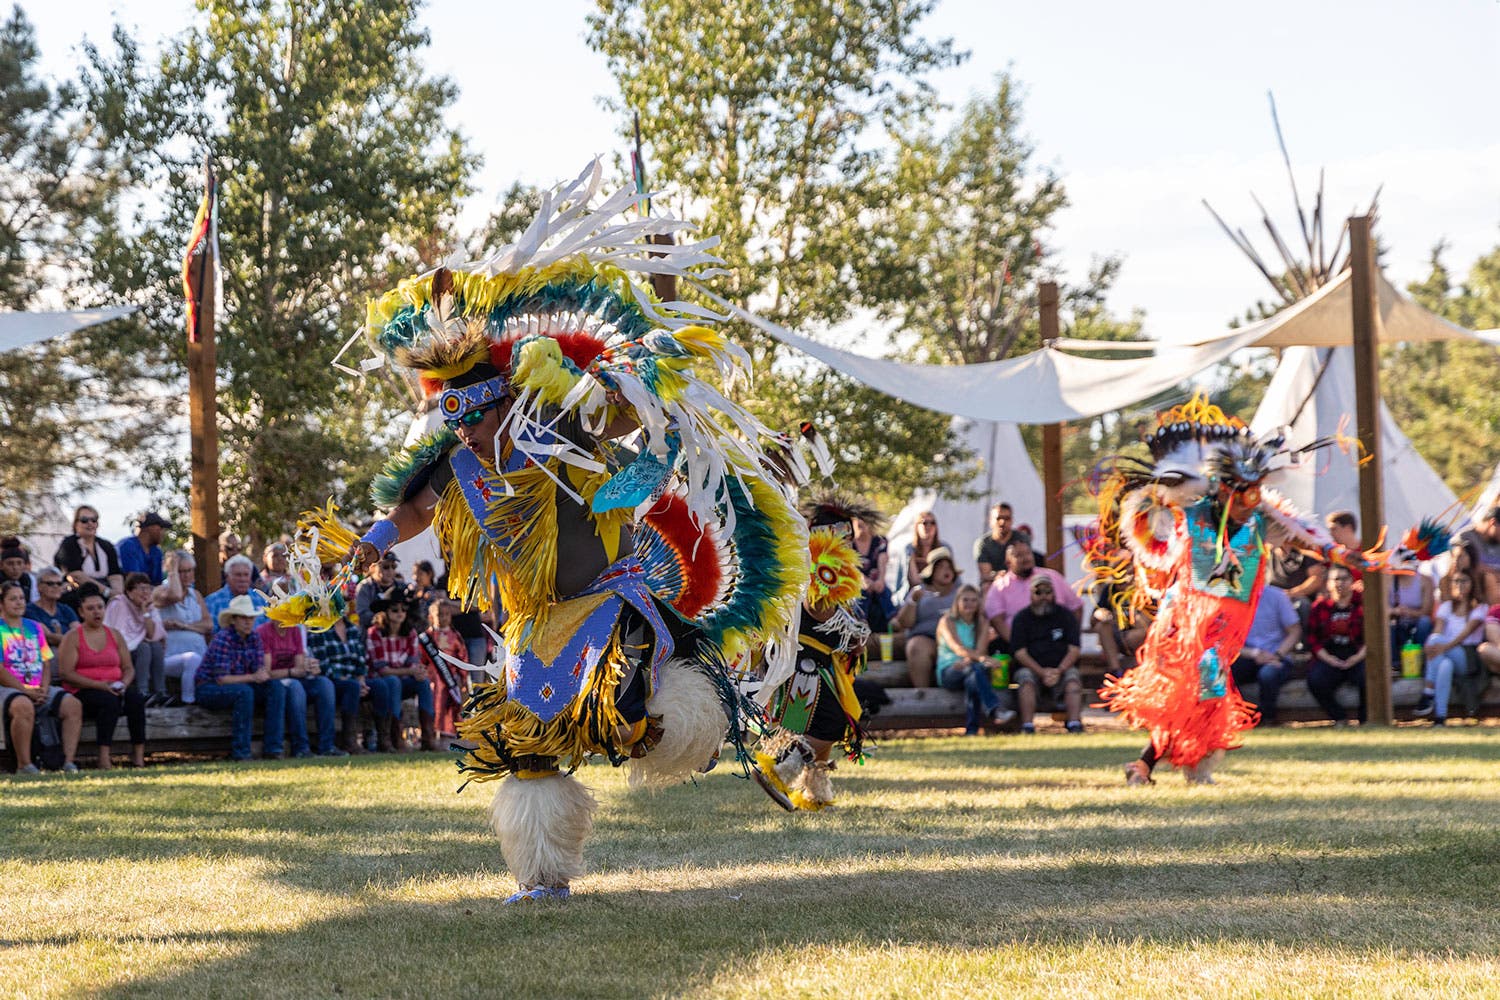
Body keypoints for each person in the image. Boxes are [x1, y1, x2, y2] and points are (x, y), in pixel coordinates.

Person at [270, 172, 807, 902]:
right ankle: (544, 877)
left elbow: (634, 407)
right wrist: (366, 547)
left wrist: (662, 313)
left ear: (503, 396)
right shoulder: (457, 463)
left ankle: (697, 727)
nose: (465, 426)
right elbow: (411, 514)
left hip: (614, 602)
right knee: (524, 748)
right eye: (452, 416)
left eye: (474, 411)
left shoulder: (556, 429)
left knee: (629, 714)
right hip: (536, 624)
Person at [1094, 395, 1407, 786]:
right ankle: (1192, 769)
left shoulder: (1262, 520)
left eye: (1255, 493)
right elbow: (1144, 534)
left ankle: (1148, 766)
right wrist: (1153, 496)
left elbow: (1310, 542)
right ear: (1223, 489)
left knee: (1197, 692)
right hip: (1186, 620)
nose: (1249, 503)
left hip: (1228, 625)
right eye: (1242, 494)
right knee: (1198, 688)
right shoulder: (1192, 516)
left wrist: (1360, 559)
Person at [757, 496, 880, 810]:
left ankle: (813, 794)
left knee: (813, 725)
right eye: (846, 534)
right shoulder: (823, 561)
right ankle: (780, 771)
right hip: (807, 658)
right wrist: (850, 628)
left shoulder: (811, 558)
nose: (850, 541)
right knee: (830, 723)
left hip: (811, 657)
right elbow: (816, 607)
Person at [57, 592, 146, 769]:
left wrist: (124, 684)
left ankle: (138, 755)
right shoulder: (73, 637)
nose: (96, 612)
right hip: (84, 689)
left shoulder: (115, 635)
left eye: (100, 607)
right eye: (90, 609)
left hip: (114, 686)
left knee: (135, 699)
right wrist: (100, 685)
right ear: (81, 612)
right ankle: (104, 757)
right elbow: (66, 673)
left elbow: (128, 667)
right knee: (108, 702)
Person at [1, 580, 82, 773]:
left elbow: (45, 661)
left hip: (38, 688)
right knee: (23, 705)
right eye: (13, 599)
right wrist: (25, 691)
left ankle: (68, 762)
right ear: (1, 604)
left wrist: (44, 688)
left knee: (72, 705)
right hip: (9, 688)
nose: (19, 602)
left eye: (21, 598)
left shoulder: (35, 627)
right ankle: (24, 764)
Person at [194, 594, 284, 761]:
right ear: (233, 620)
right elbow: (222, 679)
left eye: (250, 618)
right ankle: (241, 751)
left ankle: (273, 748)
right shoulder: (223, 639)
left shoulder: (255, 638)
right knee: (244, 692)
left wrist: (263, 674)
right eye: (243, 618)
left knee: (276, 687)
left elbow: (259, 670)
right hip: (208, 688)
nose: (248, 622)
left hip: (241, 685)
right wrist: (254, 676)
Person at [255, 618, 344, 757]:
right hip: (274, 683)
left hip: (294, 678)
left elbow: (300, 668)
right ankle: (301, 747)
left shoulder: (295, 630)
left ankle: (327, 746)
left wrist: (306, 667)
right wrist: (291, 671)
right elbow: (267, 672)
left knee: (324, 684)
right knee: (295, 687)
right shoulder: (263, 632)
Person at [935, 583, 1014, 734]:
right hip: (949, 670)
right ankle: (994, 708)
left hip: (971, 667)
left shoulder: (982, 622)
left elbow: (980, 649)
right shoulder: (947, 621)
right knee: (975, 671)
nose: (969, 604)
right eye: (965, 600)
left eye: (973, 600)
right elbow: (957, 647)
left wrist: (972, 660)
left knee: (973, 678)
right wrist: (981, 659)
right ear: (957, 601)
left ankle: (972, 730)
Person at [1010, 576, 1084, 734]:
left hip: (1062, 668)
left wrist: (1059, 670)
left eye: (1048, 592)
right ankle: (1028, 726)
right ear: (1031, 595)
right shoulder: (1022, 618)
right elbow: (1020, 653)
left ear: (1054, 593)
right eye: (1038, 592)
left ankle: (1074, 724)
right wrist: (1041, 672)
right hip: (1032, 668)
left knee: (1073, 679)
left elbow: (1074, 650)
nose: (1044, 596)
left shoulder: (1065, 615)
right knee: (1025, 678)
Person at [365, 589, 435, 752]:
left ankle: (428, 737)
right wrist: (410, 671)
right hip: (380, 682)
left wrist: (418, 672)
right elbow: (381, 670)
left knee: (423, 682)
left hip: (402, 679)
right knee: (393, 681)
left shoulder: (410, 633)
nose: (400, 613)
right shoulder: (374, 632)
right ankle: (395, 737)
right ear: (385, 612)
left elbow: (413, 663)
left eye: (404, 609)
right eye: (395, 609)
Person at [1415, 569, 1487, 725]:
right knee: (1444, 666)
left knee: (1436, 643)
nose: (1459, 585)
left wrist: (1441, 646)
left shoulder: (1479, 608)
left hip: (1468, 656)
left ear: (1472, 584)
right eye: (1456, 581)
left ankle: (1428, 691)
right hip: (1444, 653)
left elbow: (1465, 634)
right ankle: (1440, 718)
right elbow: (1438, 630)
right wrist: (1430, 645)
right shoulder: (1447, 606)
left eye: (1464, 581)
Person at [983, 539, 1080, 651]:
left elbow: (1076, 607)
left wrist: (1072, 639)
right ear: (1008, 562)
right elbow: (996, 621)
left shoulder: (1053, 577)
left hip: (1057, 647)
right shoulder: (999, 587)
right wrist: (1018, 646)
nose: (1025, 558)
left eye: (1028, 553)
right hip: (1020, 651)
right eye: (1018, 555)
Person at [1227, 583, 1301, 726]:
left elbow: (1295, 631)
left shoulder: (1277, 596)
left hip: (1277, 655)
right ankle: (1242, 716)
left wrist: (1278, 655)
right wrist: (1254, 653)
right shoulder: (1232, 597)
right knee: (1226, 672)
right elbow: (1228, 640)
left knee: (1268, 674)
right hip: (1247, 654)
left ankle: (1268, 718)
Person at [891, 546, 961, 687]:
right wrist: (912, 602)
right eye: (941, 567)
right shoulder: (919, 592)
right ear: (932, 571)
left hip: (957, 639)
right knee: (916, 647)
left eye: (949, 567)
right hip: (926, 638)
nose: (946, 570)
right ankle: (923, 693)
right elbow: (904, 623)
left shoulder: (961, 592)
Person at [1306, 566, 1367, 726]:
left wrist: (1356, 658)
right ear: (1328, 584)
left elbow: (1373, 636)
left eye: (1344, 578)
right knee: (1315, 680)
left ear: (1352, 582)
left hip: (1357, 654)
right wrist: (1330, 659)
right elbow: (1313, 640)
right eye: (1336, 579)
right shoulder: (1319, 607)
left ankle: (1365, 719)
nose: (1340, 583)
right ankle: (1339, 717)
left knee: (1368, 677)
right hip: (1330, 655)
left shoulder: (1363, 604)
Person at [155, 550, 211, 705]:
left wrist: (183, 625)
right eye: (181, 571)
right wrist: (171, 570)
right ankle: (188, 702)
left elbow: (208, 625)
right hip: (169, 659)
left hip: (200, 657)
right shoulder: (160, 592)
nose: (186, 575)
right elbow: (175, 596)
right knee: (191, 659)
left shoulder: (196, 595)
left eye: (189, 571)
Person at [104, 572, 169, 706]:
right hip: (119, 652)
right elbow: (118, 636)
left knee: (156, 646)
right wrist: (140, 640)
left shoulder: (149, 607)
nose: (145, 592)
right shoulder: (119, 604)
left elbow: (153, 635)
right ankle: (142, 692)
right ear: (129, 592)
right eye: (141, 588)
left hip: (138, 648)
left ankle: (161, 692)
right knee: (144, 648)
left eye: (148, 588)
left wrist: (145, 612)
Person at [417, 598, 468, 740]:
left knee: (450, 705)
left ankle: (449, 733)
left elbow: (462, 656)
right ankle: (431, 733)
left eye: (446, 614)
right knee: (434, 704)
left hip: (451, 678)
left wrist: (462, 676)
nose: (443, 618)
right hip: (432, 678)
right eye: (439, 614)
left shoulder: (455, 635)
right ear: (431, 617)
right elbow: (421, 657)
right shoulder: (426, 637)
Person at [1388, 553, 1435, 666]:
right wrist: (1395, 611)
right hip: (1397, 624)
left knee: (1425, 622)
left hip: (1417, 625)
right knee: (1388, 625)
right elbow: (1381, 609)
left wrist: (1409, 612)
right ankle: (1394, 663)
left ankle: (1423, 661)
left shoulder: (1425, 580)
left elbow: (1426, 611)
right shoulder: (1388, 580)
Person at [851, 517, 893, 640]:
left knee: (884, 591)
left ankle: (892, 620)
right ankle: (859, 621)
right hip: (856, 584)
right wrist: (863, 581)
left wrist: (880, 580)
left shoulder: (880, 541)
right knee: (861, 594)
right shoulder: (848, 543)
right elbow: (850, 566)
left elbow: (882, 562)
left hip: (875, 583)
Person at [205, 555, 272, 627]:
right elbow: (210, 634)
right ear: (227, 577)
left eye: (246, 575)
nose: (242, 579)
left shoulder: (260, 599)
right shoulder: (213, 601)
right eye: (238, 575)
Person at [25, 567, 80, 649]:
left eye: (59, 583)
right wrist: (73, 641)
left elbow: (79, 633)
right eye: (50, 583)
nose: (55, 587)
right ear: (39, 586)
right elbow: (49, 637)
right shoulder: (29, 610)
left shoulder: (65, 609)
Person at [974, 502, 1023, 591]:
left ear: (1012, 520)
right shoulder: (983, 544)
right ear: (990, 520)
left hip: (1018, 580)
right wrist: (999, 576)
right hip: (993, 583)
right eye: (998, 518)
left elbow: (1025, 565)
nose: (1002, 522)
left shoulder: (1021, 539)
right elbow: (985, 574)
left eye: (1006, 518)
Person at [117, 511, 171, 586]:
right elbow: (133, 581)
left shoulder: (156, 552)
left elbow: (158, 583)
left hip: (150, 593)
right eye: (160, 528)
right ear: (150, 528)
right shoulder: (128, 546)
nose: (163, 532)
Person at [900, 512, 947, 598]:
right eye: (924, 523)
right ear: (917, 526)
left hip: (938, 595)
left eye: (932, 523)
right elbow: (914, 580)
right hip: (913, 595)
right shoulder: (909, 549)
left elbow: (947, 577)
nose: (928, 526)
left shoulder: (944, 548)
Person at [355, 555, 398, 631]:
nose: (390, 570)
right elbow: (363, 615)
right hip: (371, 636)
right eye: (385, 567)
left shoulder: (400, 586)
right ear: (372, 567)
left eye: (393, 566)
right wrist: (387, 619)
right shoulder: (364, 587)